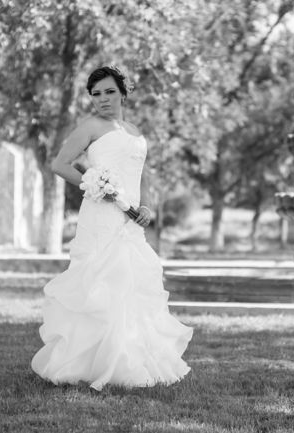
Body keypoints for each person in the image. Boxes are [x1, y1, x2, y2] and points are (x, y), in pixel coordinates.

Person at [31, 66, 192, 390]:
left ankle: (132, 359)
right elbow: (60, 164)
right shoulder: (90, 126)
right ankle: (89, 363)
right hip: (101, 215)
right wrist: (95, 183)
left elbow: (137, 174)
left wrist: (144, 206)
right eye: (96, 94)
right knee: (102, 282)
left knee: (132, 283)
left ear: (122, 92)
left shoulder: (132, 129)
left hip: (130, 218)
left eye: (108, 91)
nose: (102, 99)